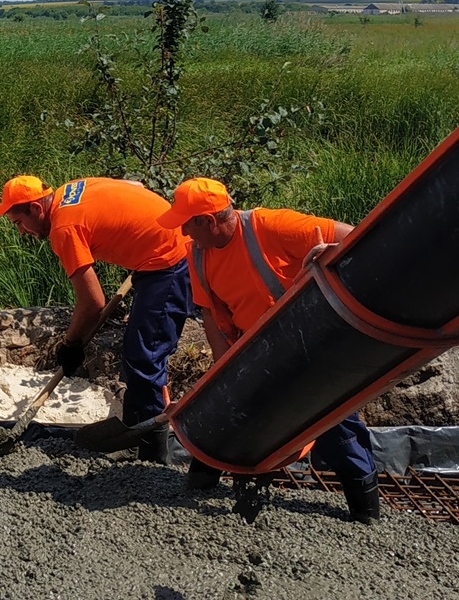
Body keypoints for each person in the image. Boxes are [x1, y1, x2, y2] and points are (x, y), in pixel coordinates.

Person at [155, 176, 379, 522]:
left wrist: (331, 261)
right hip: (256, 347)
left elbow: (353, 236)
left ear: (208, 221)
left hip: (310, 339)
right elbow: (213, 318)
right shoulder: (198, 255)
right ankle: (207, 487)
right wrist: (224, 371)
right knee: (226, 411)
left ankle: (365, 511)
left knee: (333, 420)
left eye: (187, 225)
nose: (184, 234)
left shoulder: (272, 227)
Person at [0, 174, 192, 462]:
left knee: (145, 357)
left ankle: (155, 456)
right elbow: (134, 187)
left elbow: (92, 304)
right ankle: (137, 437)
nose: (22, 232)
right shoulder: (70, 190)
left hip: (170, 261)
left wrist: (71, 345)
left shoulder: (64, 228)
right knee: (136, 354)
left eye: (19, 223)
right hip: (160, 253)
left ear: (36, 208)